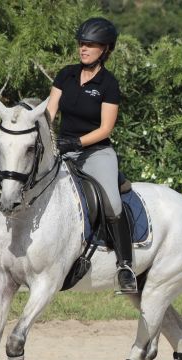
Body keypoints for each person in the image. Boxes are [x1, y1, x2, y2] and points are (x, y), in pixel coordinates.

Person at [46, 17, 137, 294]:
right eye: (81, 44)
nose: (83, 49)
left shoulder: (109, 84)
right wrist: (45, 138)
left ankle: (125, 266)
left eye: (90, 45)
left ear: (106, 49)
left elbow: (106, 128)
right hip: (60, 147)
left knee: (111, 201)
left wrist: (75, 142)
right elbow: (50, 111)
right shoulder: (66, 74)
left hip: (95, 152)